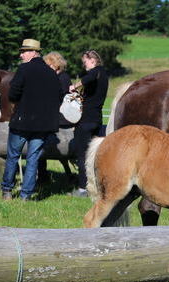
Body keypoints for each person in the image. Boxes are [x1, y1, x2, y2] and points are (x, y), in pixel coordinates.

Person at [1, 39, 60, 201]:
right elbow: (58, 98)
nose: (21, 55)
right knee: (33, 159)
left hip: (22, 122)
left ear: (34, 52)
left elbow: (12, 95)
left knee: (13, 156)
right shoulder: (51, 73)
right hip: (42, 126)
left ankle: (7, 190)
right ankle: (26, 195)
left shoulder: (24, 69)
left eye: (24, 51)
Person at [68, 50, 108, 197]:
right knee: (95, 156)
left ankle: (82, 188)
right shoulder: (104, 74)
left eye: (85, 62)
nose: (84, 65)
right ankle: (97, 186)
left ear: (92, 60)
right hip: (97, 120)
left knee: (82, 155)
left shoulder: (96, 71)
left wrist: (74, 86)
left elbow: (89, 78)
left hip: (85, 121)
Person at [38, 51, 73, 183]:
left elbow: (58, 98)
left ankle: (42, 176)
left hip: (61, 119)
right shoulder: (60, 77)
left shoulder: (62, 78)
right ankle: (42, 175)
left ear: (55, 65)